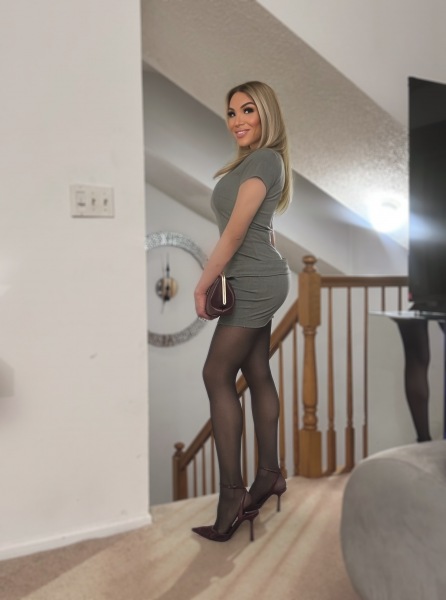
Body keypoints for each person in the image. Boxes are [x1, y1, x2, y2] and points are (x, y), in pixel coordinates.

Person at [192, 81, 292, 542]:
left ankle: (232, 496)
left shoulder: (265, 159)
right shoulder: (250, 163)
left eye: (247, 110)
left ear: (266, 113)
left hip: (253, 281)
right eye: (231, 112)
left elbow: (234, 234)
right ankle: (269, 475)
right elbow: (258, 228)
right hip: (253, 277)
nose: (237, 120)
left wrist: (203, 284)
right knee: (256, 371)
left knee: (216, 374)